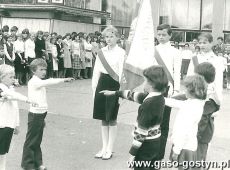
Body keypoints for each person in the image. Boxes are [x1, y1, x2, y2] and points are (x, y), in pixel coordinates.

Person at [101, 66, 168, 170]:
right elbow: (134, 95)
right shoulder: (159, 98)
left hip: (145, 145)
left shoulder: (148, 104)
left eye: (145, 80)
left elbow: (141, 133)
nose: (144, 83)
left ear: (152, 84)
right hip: (155, 142)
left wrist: (132, 155)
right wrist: (115, 93)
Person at [21, 59, 74, 170]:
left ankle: (37, 162)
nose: (44, 72)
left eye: (45, 69)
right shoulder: (34, 82)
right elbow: (48, 81)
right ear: (33, 71)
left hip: (41, 114)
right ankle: (27, 164)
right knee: (31, 141)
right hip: (35, 114)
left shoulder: (39, 81)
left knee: (37, 140)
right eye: (41, 69)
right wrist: (64, 79)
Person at [92, 25, 125, 160]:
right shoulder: (101, 52)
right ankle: (104, 147)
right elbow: (96, 72)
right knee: (102, 118)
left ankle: (110, 148)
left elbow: (122, 73)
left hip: (114, 84)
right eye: (106, 37)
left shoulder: (121, 52)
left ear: (117, 37)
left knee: (111, 117)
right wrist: (94, 90)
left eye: (111, 36)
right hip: (102, 83)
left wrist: (121, 93)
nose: (109, 39)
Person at [166, 75, 207, 170]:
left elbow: (184, 131)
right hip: (187, 146)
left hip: (184, 147)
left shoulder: (191, 108)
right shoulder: (194, 103)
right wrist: (161, 99)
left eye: (186, 89)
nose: (184, 92)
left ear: (193, 91)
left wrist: (176, 150)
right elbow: (177, 103)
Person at [0, 64, 36, 170]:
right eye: (10, 77)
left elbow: (15, 108)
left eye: (13, 76)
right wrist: (28, 99)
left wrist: (17, 124)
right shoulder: (2, 90)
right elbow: (12, 96)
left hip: (8, 125)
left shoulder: (10, 89)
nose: (13, 79)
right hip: (1, 125)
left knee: (3, 153)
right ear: (1, 77)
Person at [155, 24, 181, 160]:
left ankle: (159, 155)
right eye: (159, 34)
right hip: (154, 88)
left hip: (167, 89)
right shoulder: (153, 50)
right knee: (152, 121)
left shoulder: (175, 52)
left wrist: (176, 89)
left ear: (170, 35)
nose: (161, 37)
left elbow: (177, 72)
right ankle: (151, 151)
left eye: (164, 34)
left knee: (163, 122)